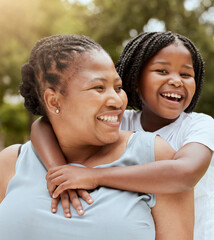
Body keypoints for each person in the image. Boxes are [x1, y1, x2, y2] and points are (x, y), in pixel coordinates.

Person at [0, 34, 194, 240]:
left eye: (118, 88)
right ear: (54, 101)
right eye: (98, 88)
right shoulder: (12, 161)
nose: (117, 101)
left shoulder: (154, 156)